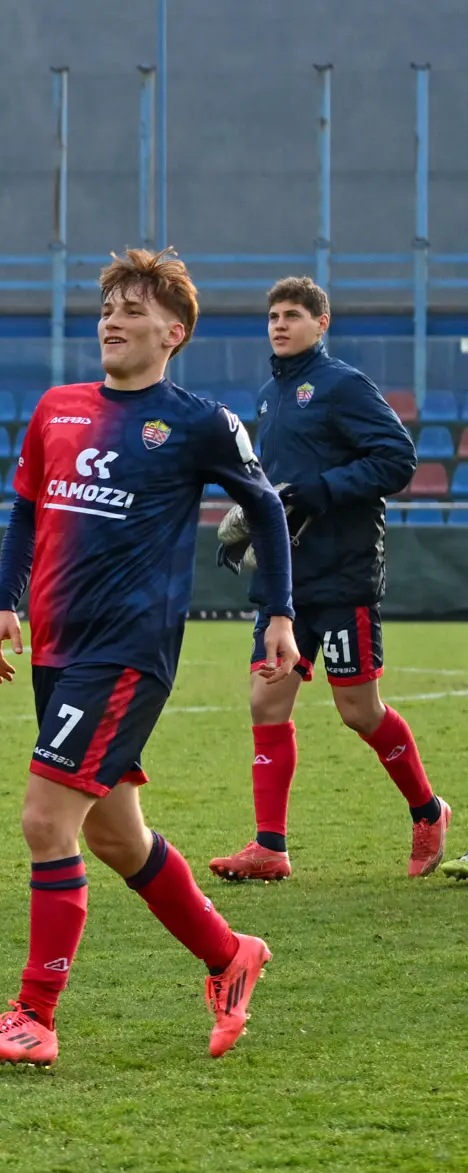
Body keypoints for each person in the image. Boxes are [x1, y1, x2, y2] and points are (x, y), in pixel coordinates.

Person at [0, 248, 300, 1068]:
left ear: (173, 333)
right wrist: (5, 602)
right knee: (116, 837)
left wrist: (280, 614)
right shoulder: (57, 409)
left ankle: (33, 1016)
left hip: (125, 654)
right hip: (58, 650)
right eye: (109, 305)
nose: (113, 319)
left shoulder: (200, 422)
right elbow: (23, 513)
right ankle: (229, 956)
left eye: (134, 309)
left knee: (46, 820)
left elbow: (266, 509)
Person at [209, 276, 445, 883]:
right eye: (273, 317)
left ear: (322, 323)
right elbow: (278, 485)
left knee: (359, 711)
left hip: (343, 574)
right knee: (266, 699)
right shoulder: (268, 394)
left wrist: (323, 489)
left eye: (293, 315)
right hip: (287, 582)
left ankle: (428, 811)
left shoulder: (342, 385)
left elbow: (398, 459)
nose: (280, 325)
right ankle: (270, 847)